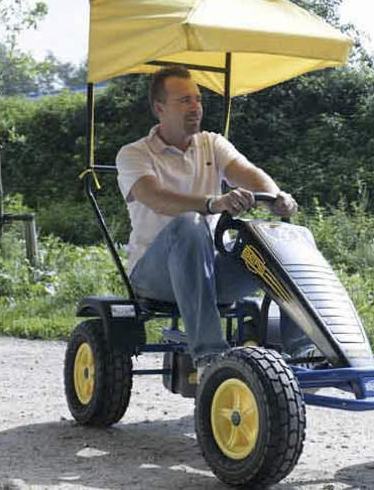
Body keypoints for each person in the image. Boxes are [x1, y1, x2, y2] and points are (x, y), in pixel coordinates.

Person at [116, 66, 311, 371]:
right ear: (159, 108)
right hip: (154, 275)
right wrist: (213, 203)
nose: (195, 107)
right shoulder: (133, 154)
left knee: (277, 240)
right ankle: (209, 355)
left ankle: (302, 352)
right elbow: (154, 196)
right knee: (191, 225)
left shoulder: (212, 143)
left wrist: (276, 197)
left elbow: (250, 175)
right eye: (184, 101)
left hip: (210, 271)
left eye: (197, 99)